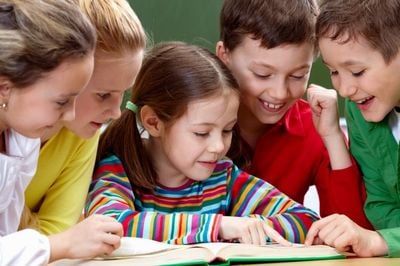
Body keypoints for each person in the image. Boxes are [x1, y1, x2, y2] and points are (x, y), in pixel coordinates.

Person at [85, 41, 319, 245]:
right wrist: (220, 227)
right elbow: (110, 225)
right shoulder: (118, 170)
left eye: (227, 130)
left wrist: (247, 226)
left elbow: (305, 221)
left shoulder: (223, 177)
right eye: (202, 133)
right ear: (154, 122)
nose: (218, 146)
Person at [216, 0, 372, 229]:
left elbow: (352, 233)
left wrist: (332, 137)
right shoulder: (193, 121)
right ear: (224, 55)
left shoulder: (315, 127)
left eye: (298, 76)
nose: (279, 93)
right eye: (262, 74)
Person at [0, 0, 122, 264]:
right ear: (4, 88)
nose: (71, 115)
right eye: (62, 101)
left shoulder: (21, 138)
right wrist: (57, 245)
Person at [20, 0, 146, 235]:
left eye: (123, 94)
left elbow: (57, 235)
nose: (116, 112)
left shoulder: (83, 134)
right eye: (103, 95)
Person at [305, 0, 400, 258]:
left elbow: (381, 236)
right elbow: (380, 205)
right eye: (334, 71)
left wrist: (382, 241)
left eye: (357, 72)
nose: (344, 89)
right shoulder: (360, 111)